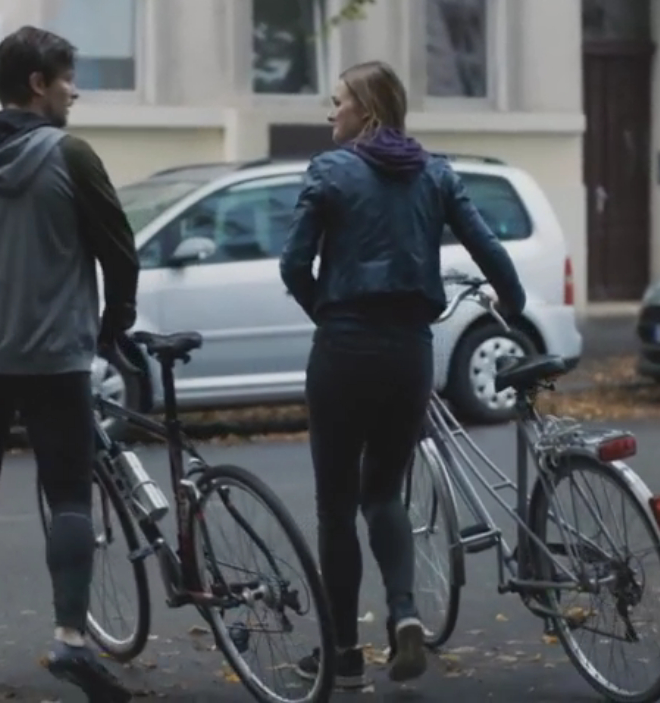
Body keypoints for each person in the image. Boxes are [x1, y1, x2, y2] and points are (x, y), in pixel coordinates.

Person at [280, 60, 527, 690]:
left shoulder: (329, 171)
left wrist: (325, 311)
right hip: (410, 353)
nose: (330, 112)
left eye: (338, 101)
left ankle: (343, 654)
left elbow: (293, 264)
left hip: (344, 350)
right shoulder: (436, 174)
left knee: (336, 507)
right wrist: (513, 304)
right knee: (384, 492)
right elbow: (488, 247)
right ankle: (405, 613)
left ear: (366, 109)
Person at [0, 25, 138, 703]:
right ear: (37, 84)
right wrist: (110, 329)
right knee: (68, 495)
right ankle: (71, 638)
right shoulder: (71, 156)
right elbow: (119, 251)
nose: (75, 91)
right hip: (56, 359)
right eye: (67, 79)